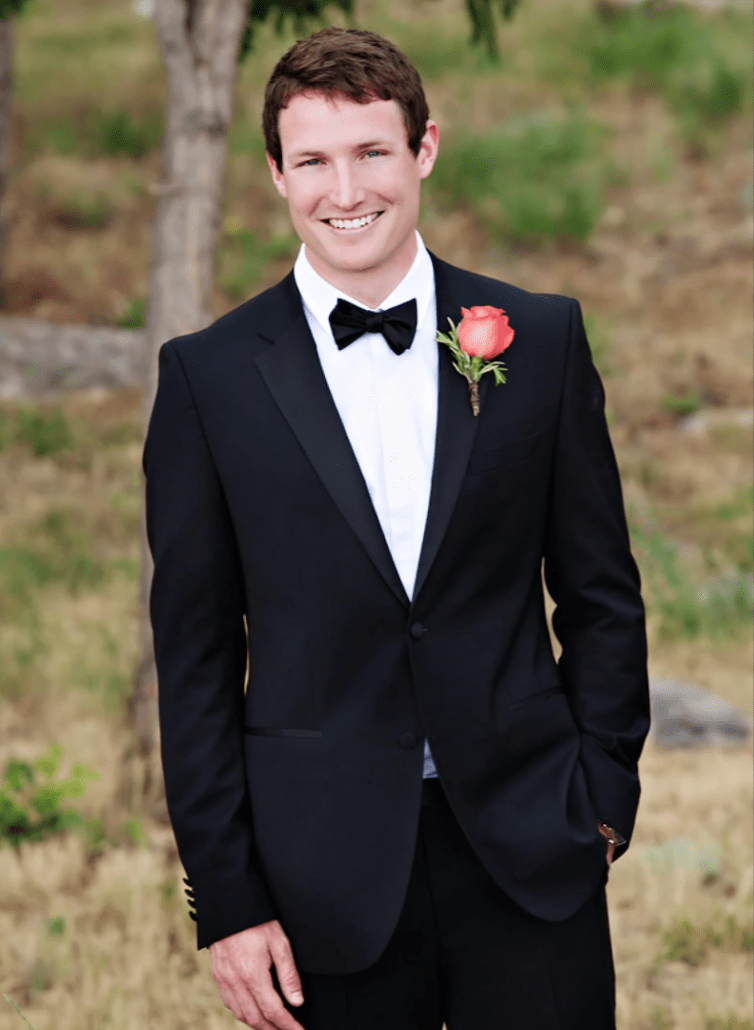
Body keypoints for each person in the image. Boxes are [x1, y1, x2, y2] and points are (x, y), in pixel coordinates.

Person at [143, 26, 650, 1030]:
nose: (346, 190)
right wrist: (229, 902)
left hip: (527, 846)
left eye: (372, 151)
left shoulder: (536, 340)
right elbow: (195, 656)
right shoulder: (207, 379)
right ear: (275, 176)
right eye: (314, 161)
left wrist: (600, 798)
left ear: (423, 149)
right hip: (318, 871)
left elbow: (599, 593)